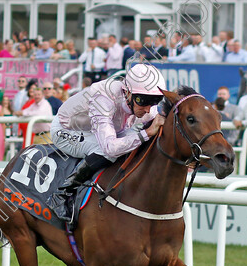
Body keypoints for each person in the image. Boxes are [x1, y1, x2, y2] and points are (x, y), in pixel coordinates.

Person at [52, 63, 166, 193]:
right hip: (66, 130)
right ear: (127, 92)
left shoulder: (146, 106)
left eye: (155, 101)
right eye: (143, 101)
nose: (148, 109)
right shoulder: (104, 99)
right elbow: (110, 148)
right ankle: (62, 194)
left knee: (136, 135)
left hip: (99, 131)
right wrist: (146, 133)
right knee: (106, 150)